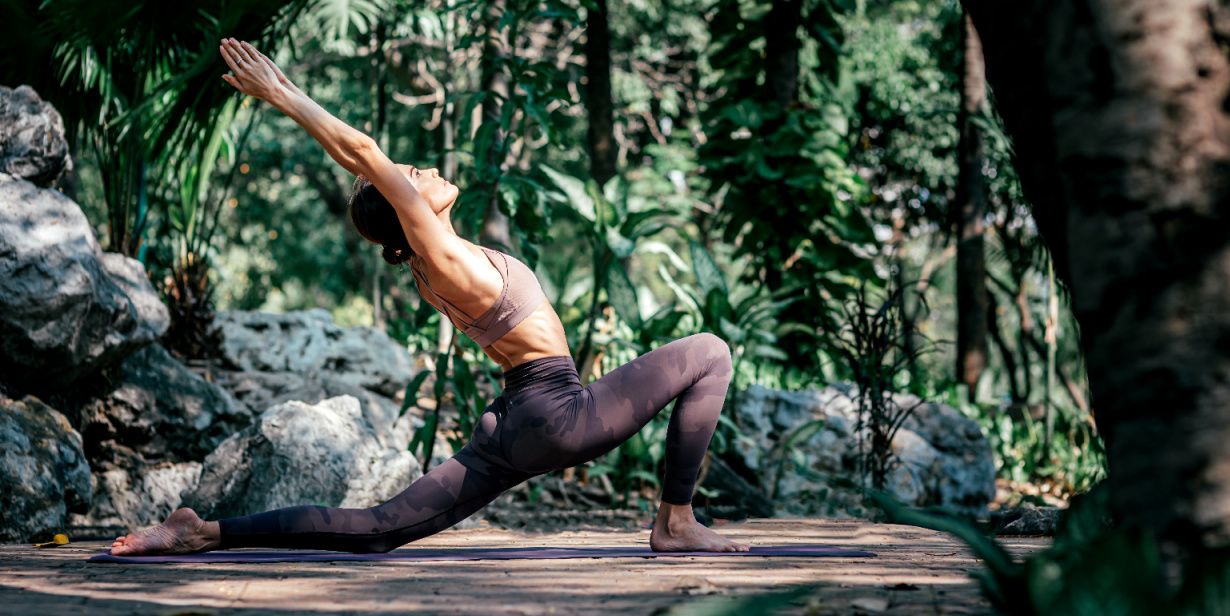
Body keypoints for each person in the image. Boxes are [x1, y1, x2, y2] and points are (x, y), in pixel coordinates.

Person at [109, 38, 747, 556]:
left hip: (518, 419)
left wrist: (331, 138)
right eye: (412, 177)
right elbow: (364, 153)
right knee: (711, 352)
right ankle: (676, 520)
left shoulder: (429, 258)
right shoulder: (439, 252)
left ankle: (202, 532)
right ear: (406, 209)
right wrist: (282, 93)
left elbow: (358, 164)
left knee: (381, 526)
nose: (426, 172)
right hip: (556, 413)